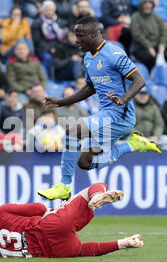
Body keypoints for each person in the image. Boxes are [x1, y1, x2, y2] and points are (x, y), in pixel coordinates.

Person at [38, 16, 160, 201]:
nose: (76, 40)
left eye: (80, 36)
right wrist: (62, 102)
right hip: (105, 114)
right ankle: (132, 145)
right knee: (85, 163)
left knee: (74, 130)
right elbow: (91, 87)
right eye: (75, 36)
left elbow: (139, 80)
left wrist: (122, 99)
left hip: (120, 115)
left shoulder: (115, 53)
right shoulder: (88, 58)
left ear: (94, 33)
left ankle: (64, 185)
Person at [0, 182, 144, 258]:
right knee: (92, 188)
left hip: (55, 252)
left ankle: (124, 243)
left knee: (81, 250)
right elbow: (39, 208)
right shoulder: (0, 213)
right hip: (52, 225)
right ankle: (97, 196)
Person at [130, 0, 167, 72]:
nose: (147, 6)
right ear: (141, 5)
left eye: (149, 3)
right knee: (149, 56)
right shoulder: (135, 17)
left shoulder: (157, 17)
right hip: (141, 48)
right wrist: (149, 47)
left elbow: (164, 31)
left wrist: (162, 44)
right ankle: (149, 74)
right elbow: (137, 35)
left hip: (156, 46)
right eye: (145, 3)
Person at [31, 0, 68, 78]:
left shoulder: (60, 22)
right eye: (46, 10)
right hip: (43, 50)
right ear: (42, 11)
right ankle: (47, 78)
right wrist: (50, 48)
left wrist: (55, 48)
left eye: (51, 10)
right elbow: (37, 41)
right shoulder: (37, 23)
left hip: (58, 48)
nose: (49, 12)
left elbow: (63, 39)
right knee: (47, 57)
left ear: (54, 11)